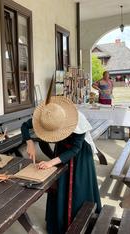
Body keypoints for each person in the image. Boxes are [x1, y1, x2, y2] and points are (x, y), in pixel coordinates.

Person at [21, 87, 101, 234]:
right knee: (59, 184)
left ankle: (77, 225)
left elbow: (75, 149)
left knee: (77, 187)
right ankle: (58, 223)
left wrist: (51, 162)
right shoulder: (46, 116)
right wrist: (29, 142)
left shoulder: (78, 120)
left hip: (80, 154)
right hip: (62, 149)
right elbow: (25, 126)